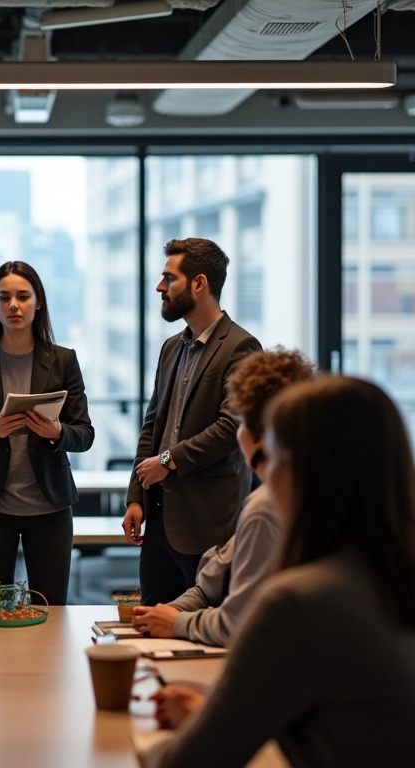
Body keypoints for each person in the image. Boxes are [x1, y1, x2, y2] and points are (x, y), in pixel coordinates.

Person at [145, 376, 415, 768]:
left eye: (269, 458)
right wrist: (218, 714)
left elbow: (187, 762)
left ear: (306, 470)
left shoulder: (300, 602)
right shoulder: (390, 578)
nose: (264, 480)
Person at [132, 348, 314, 647]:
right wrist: (170, 612)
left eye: (239, 420)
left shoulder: (267, 507)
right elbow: (211, 584)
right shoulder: (283, 492)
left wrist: (177, 622)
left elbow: (235, 624)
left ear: (257, 432)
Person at [123, 237, 261, 606]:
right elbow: (152, 426)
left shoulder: (241, 347)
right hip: (158, 524)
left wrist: (168, 462)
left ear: (199, 283)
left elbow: (230, 427)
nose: (160, 287)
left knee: (204, 637)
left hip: (208, 527)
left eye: (169, 278)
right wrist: (136, 496)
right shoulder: (172, 347)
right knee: (154, 626)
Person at [0, 261, 94, 605]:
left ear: (38, 302)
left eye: (23, 296)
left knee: (51, 608)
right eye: (5, 297)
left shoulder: (63, 360)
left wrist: (57, 432)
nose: (14, 305)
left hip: (51, 507)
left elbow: (84, 434)